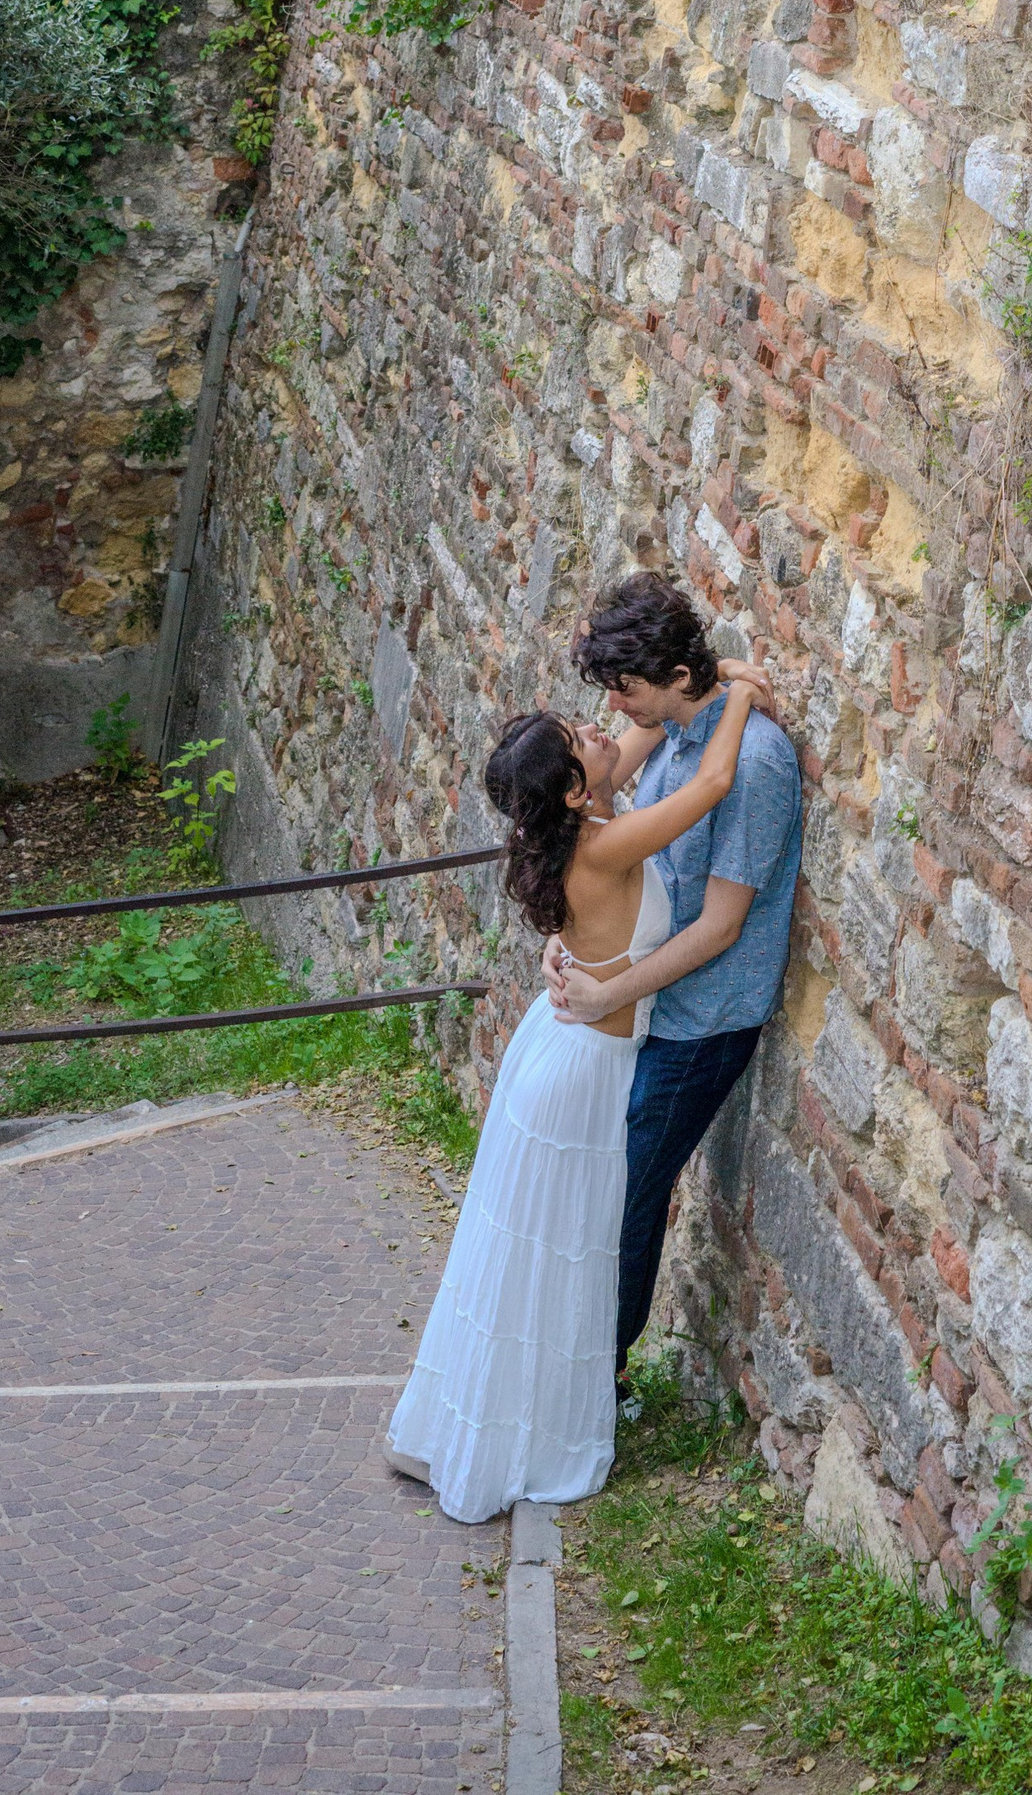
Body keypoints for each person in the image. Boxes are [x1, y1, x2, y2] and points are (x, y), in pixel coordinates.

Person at [386, 651, 773, 1522]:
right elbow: (710, 785)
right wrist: (742, 697)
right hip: (584, 1073)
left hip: (557, 1049)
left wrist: (703, 678)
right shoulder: (601, 842)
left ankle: (512, 1411)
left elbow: (641, 729)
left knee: (538, 1246)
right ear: (570, 789)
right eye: (581, 739)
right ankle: (532, 1425)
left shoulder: (571, 818)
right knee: (566, 1247)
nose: (603, 732)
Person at [545, 571, 803, 1410]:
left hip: (701, 1023)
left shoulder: (757, 764)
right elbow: (601, 808)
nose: (616, 706)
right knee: (601, 1183)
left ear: (667, 677)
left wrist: (602, 992)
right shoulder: (680, 732)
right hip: (647, 1005)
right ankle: (578, 1365)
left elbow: (721, 927)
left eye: (625, 687)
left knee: (628, 1193)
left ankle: (598, 1387)